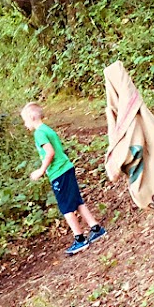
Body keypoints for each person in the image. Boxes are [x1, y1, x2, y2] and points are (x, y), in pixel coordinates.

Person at [21, 102, 107, 255]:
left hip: (59, 172)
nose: (24, 124)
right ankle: (96, 228)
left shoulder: (39, 133)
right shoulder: (47, 129)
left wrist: (41, 171)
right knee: (77, 201)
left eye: (25, 120)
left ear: (32, 117)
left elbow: (50, 152)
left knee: (66, 207)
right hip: (67, 168)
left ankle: (80, 239)